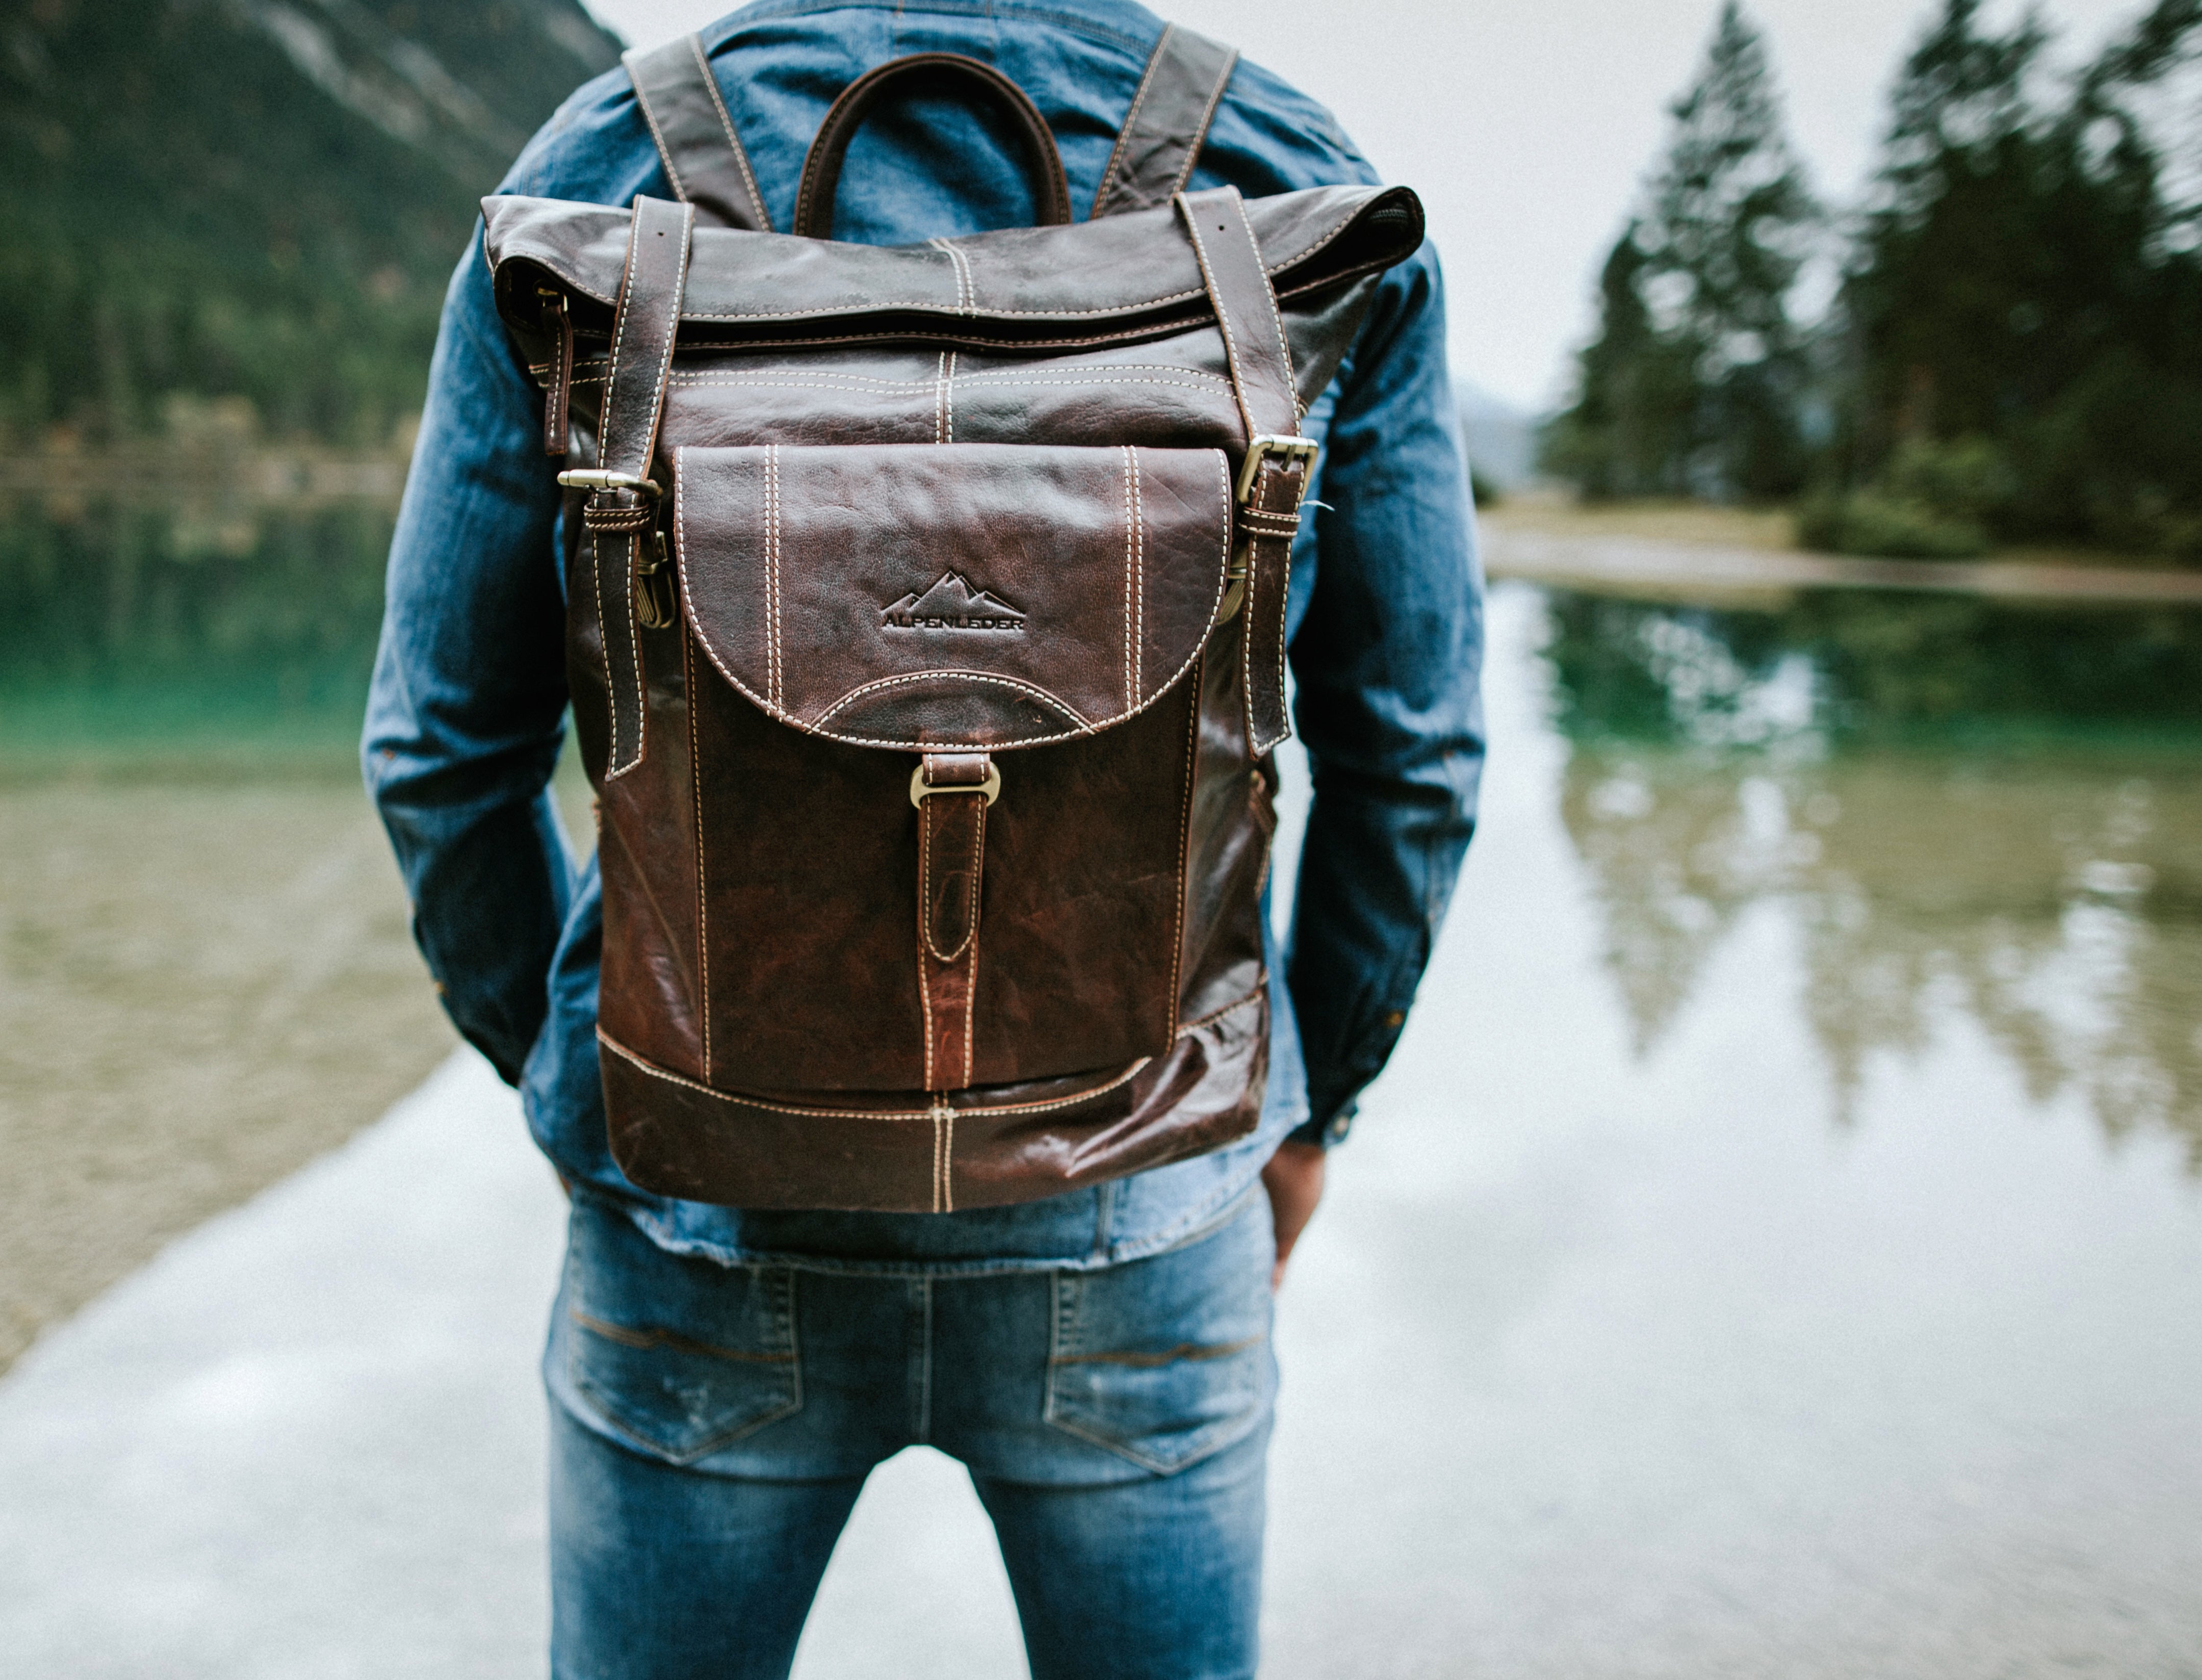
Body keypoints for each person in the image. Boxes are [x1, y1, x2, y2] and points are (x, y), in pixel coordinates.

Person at [362, 3, 1483, 1674]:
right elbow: (1412, 758)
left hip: (697, 1211)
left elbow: (443, 753)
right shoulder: (1288, 184)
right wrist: (1313, 1116)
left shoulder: (611, 170)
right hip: (1149, 1197)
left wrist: (592, 1083)